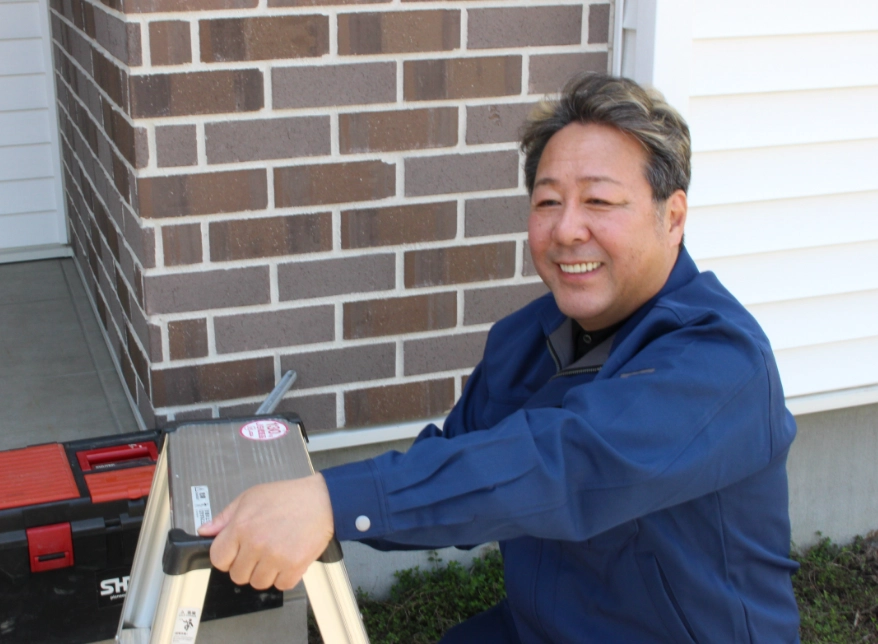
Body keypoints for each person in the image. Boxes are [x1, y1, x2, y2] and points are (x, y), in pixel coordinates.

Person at [199, 73, 801, 642]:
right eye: (547, 202)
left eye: (599, 201)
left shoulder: (721, 363)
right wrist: (313, 500)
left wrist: (336, 501)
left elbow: (563, 464)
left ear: (672, 217)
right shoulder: (526, 338)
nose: (567, 229)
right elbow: (461, 465)